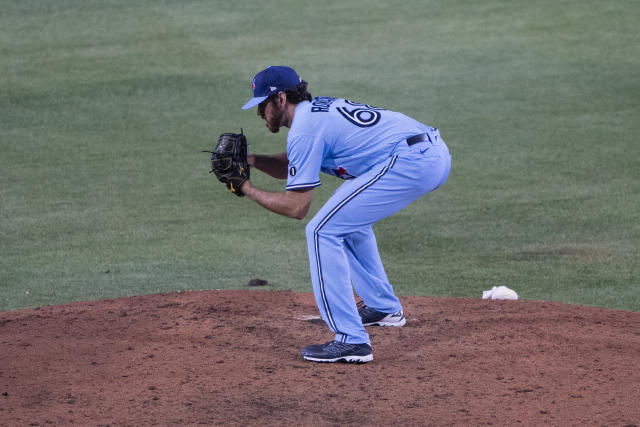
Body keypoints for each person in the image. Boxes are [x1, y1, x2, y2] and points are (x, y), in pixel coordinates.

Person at [239, 66, 451, 363]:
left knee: (321, 230)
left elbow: (296, 207)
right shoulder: (314, 114)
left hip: (411, 161)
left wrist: (247, 189)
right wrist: (252, 161)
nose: (260, 112)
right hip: (425, 153)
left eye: (262, 104)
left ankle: (351, 341)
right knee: (346, 222)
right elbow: (296, 161)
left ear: (281, 99)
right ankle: (382, 307)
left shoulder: (305, 129)